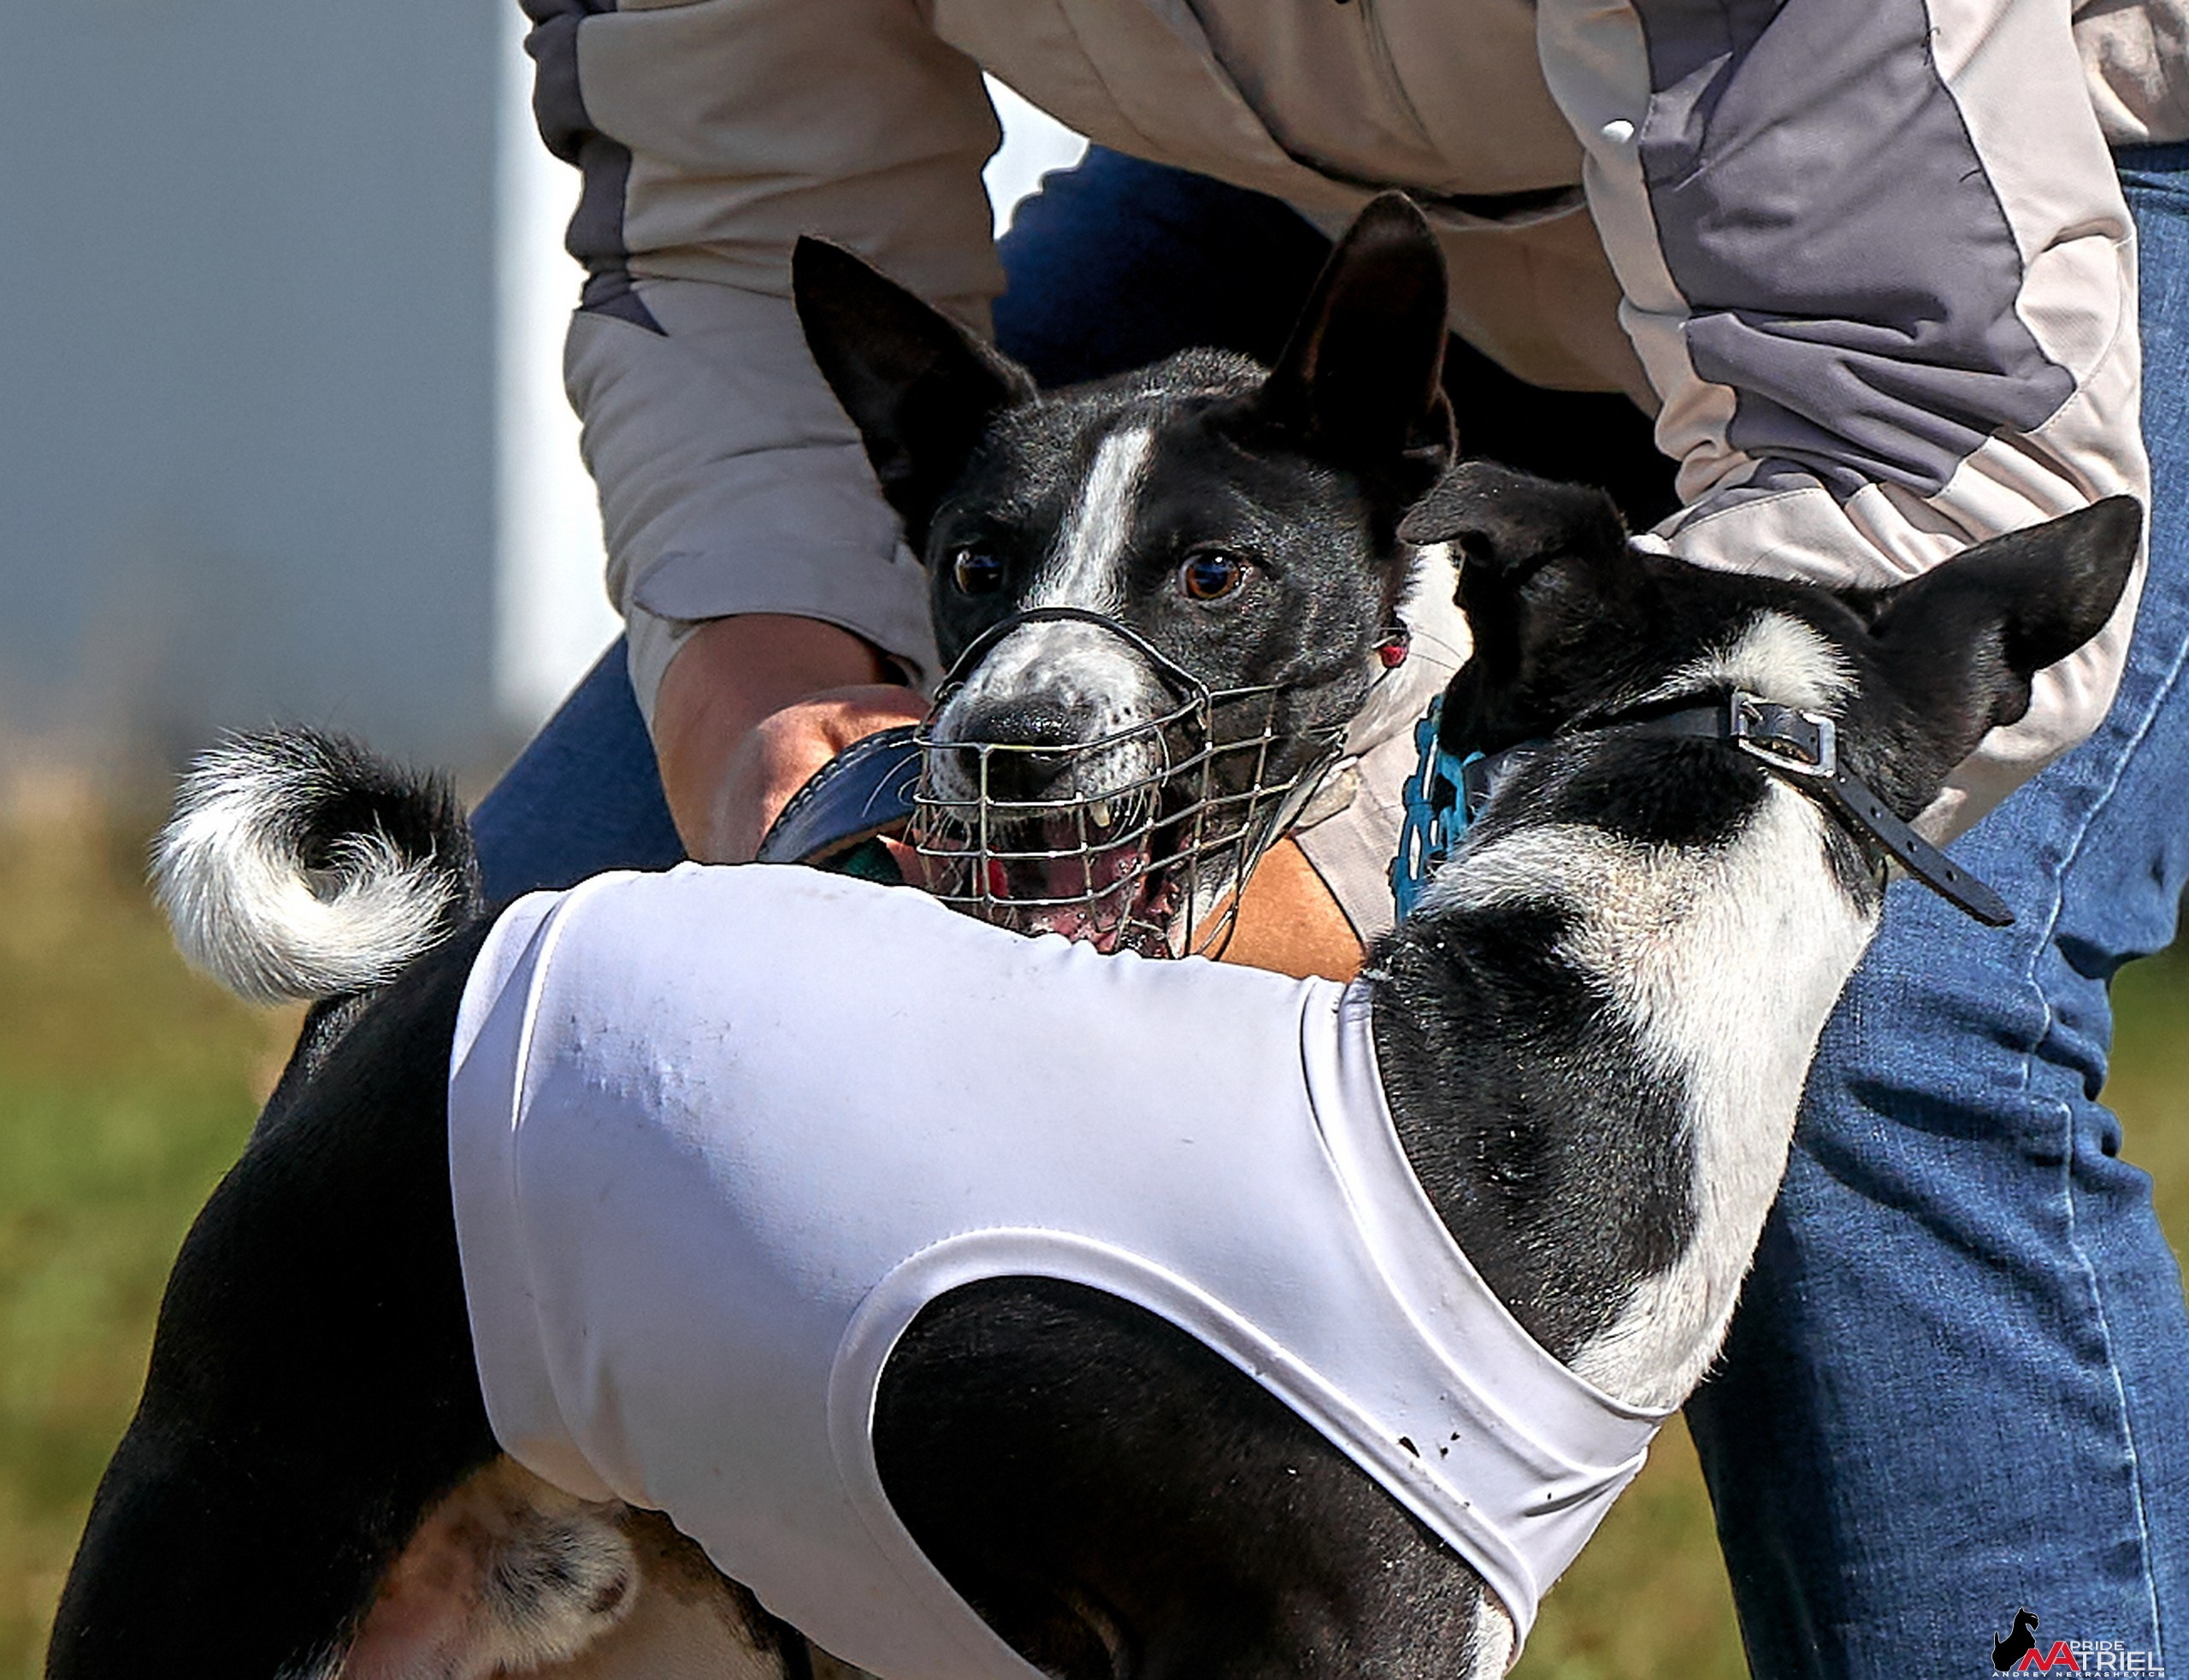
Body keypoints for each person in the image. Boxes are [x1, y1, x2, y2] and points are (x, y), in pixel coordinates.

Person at [469, 3, 2189, 1668]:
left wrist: (1332, 863)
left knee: (1863, 1016)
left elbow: (1915, 440)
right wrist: (777, 726)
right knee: (515, 1002)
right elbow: (730, 212)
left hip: (2000, 201)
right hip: (1313, 196)